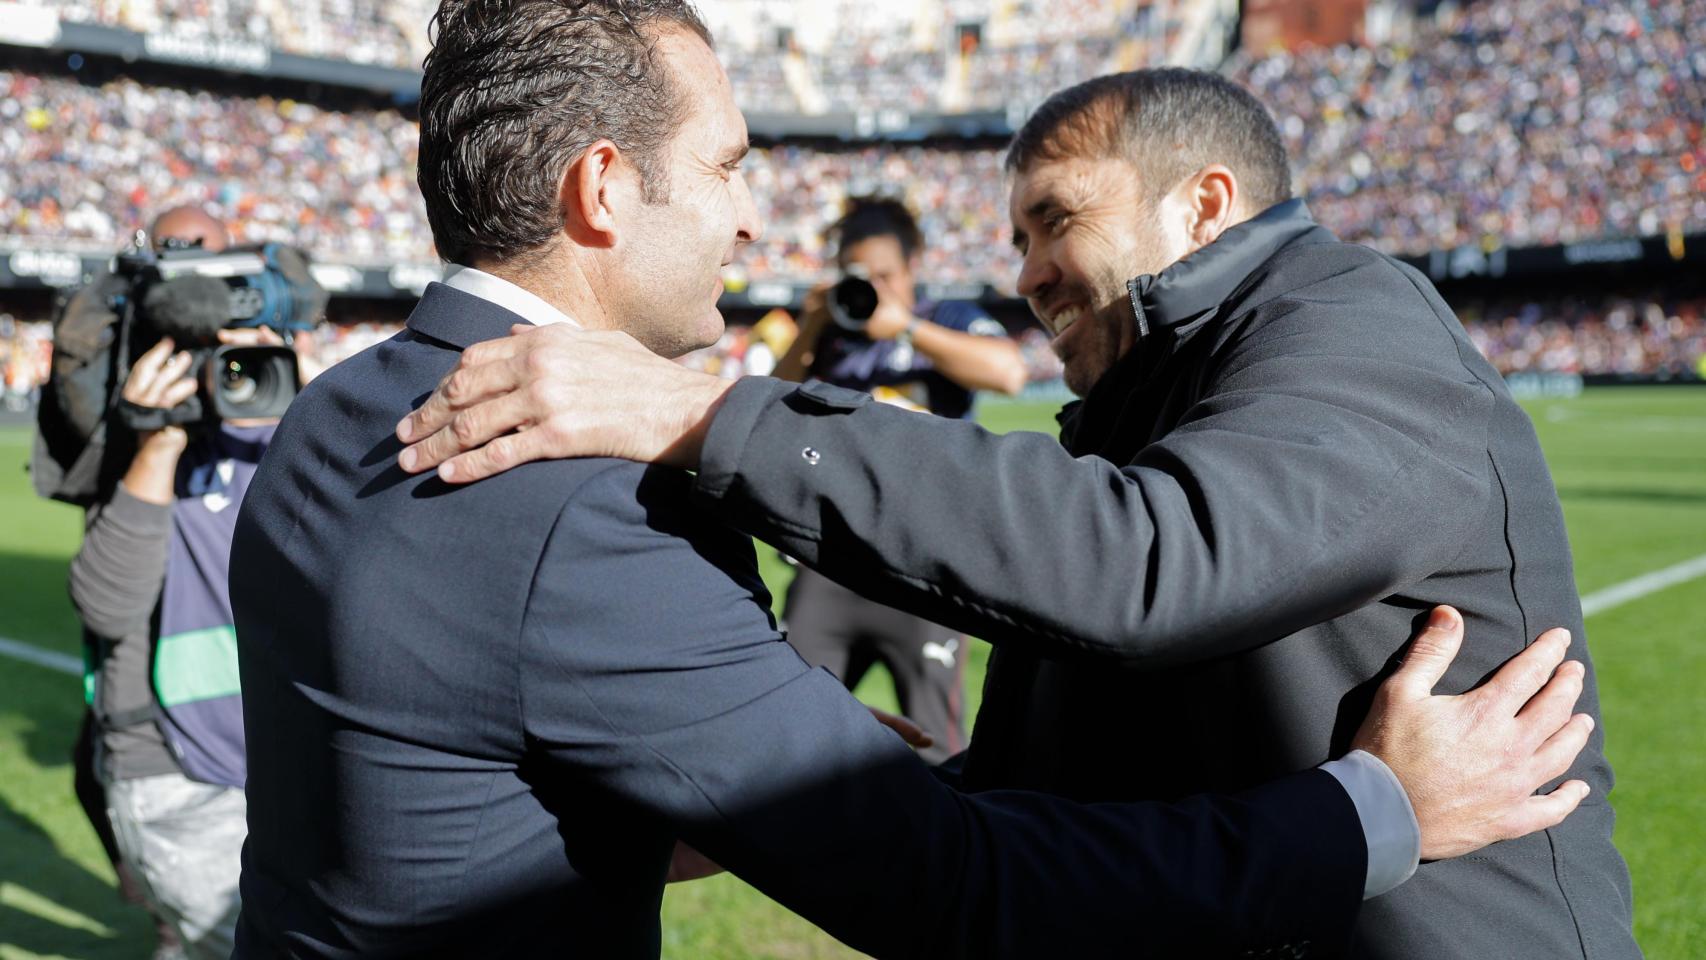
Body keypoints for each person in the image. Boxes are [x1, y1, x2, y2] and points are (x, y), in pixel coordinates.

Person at [234, 6, 1593, 958]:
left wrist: (712, 418)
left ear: (1202, 207)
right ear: (602, 189)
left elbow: (1142, 562)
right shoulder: (570, 493)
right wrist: (1378, 808)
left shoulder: (334, 411)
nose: (749, 215)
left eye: (1052, 220)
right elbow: (965, 898)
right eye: (724, 168)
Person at [66, 207, 316, 960]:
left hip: (286, 764)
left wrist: (278, 370)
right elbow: (106, 606)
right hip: (179, 772)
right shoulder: (135, 435)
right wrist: (160, 439)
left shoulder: (289, 430)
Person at [771, 196, 1026, 761]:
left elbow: (1008, 371)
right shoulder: (832, 335)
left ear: (914, 268)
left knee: (936, 748)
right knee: (789, 731)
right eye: (859, 276)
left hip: (925, 566)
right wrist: (812, 322)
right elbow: (771, 407)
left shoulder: (945, 317)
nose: (874, 289)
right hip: (830, 565)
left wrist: (906, 327)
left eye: (886, 275)